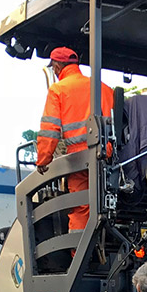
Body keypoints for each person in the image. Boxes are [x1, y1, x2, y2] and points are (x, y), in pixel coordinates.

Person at [35, 46, 114, 231]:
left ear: (56, 66)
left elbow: (50, 130)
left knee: (81, 208)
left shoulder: (58, 89)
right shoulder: (104, 88)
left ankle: (79, 247)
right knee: (105, 202)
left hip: (79, 159)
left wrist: (43, 160)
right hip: (107, 156)